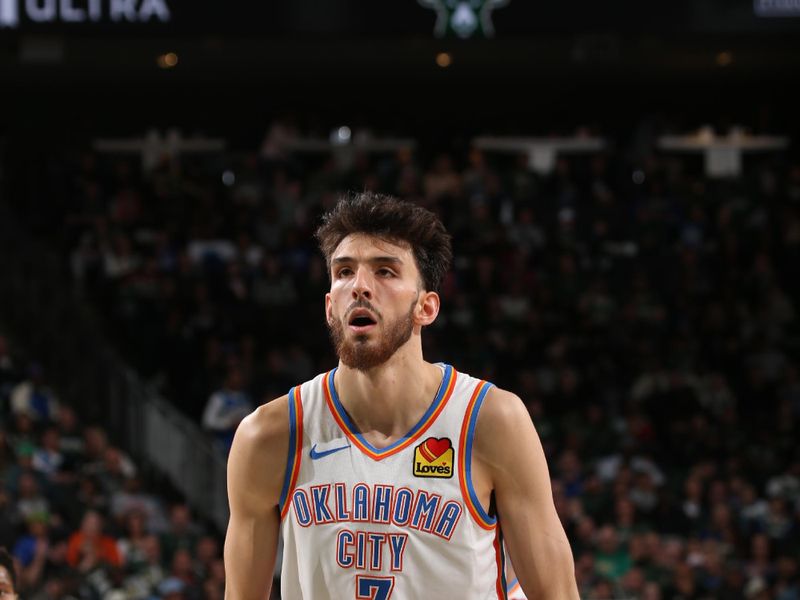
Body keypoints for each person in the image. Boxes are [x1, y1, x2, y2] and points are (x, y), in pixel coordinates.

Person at [224, 193, 578, 599]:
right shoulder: (269, 436)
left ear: (425, 308)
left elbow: (557, 593)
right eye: (343, 272)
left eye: (385, 272)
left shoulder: (490, 421)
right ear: (328, 307)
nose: (359, 287)